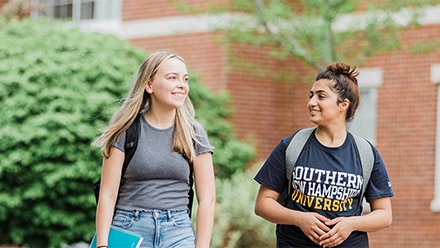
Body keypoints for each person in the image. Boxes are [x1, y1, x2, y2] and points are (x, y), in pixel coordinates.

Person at [254, 62, 393, 248]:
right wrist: (299, 218)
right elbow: (263, 204)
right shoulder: (292, 145)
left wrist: (351, 223)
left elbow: (384, 214)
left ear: (343, 104)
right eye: (311, 96)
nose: (311, 103)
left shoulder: (366, 153)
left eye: (321, 96)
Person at [93, 51, 215, 248]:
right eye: (172, 78)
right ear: (149, 85)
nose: (182, 85)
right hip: (129, 228)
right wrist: (103, 245)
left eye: (185, 79)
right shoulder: (126, 130)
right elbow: (107, 194)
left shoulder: (194, 133)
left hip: (178, 231)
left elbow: (207, 199)